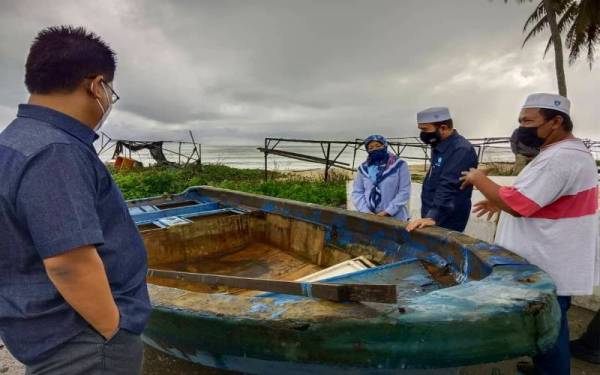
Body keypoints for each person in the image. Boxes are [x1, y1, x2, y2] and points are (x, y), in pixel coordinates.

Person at [0, 26, 151, 374]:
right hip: (85, 342)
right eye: (109, 90)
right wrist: (114, 330)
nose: (109, 98)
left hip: (51, 332)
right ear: (95, 86)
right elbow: (69, 262)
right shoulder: (56, 151)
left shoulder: (15, 140)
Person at [460, 93, 599, 375]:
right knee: (544, 325)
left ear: (556, 121)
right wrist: (496, 200)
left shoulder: (559, 158)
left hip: (550, 260)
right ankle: (545, 368)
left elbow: (518, 204)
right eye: (520, 120)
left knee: (550, 327)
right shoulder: (562, 154)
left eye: (528, 121)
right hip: (550, 255)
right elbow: (533, 197)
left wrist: (479, 180)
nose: (521, 127)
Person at [406, 107, 478, 232]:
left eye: (425, 129)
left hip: (446, 217)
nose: (422, 134)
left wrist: (433, 216)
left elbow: (449, 185)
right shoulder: (439, 145)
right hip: (432, 213)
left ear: (443, 128)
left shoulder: (460, 150)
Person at [352, 135, 411, 220]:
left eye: (378, 146)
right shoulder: (363, 168)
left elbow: (404, 191)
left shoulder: (399, 165)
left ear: (385, 146)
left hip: (396, 218)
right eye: (371, 147)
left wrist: (388, 212)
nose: (374, 149)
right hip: (369, 218)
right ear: (367, 150)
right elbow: (357, 192)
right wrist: (366, 212)